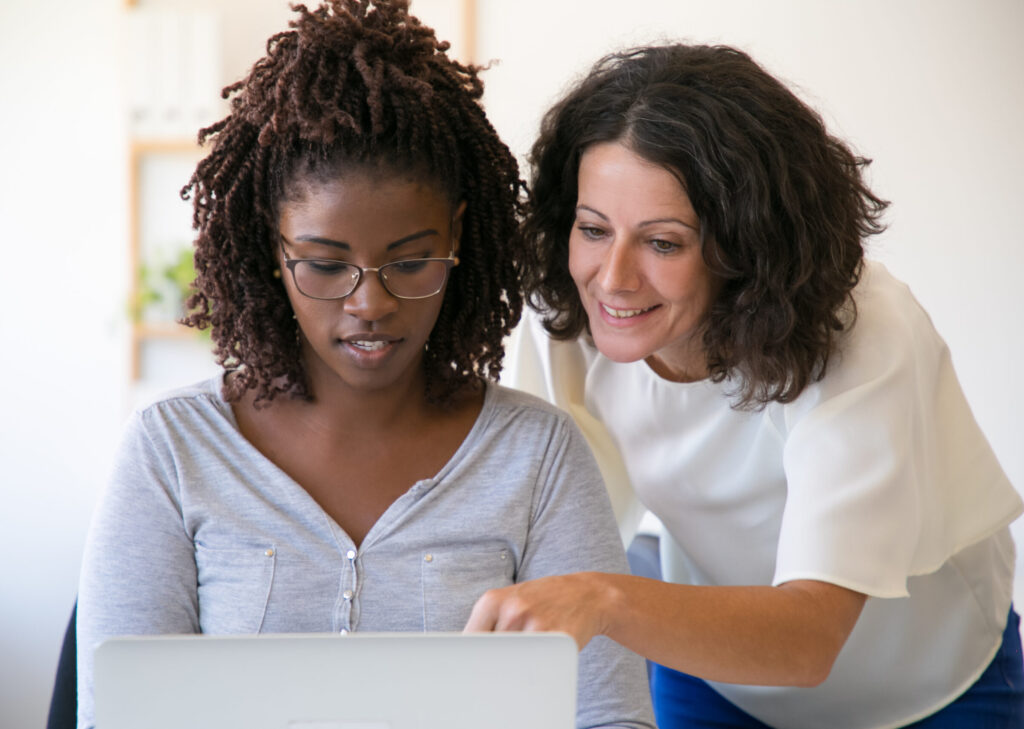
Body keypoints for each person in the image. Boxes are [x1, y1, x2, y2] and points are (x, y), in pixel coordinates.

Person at [74, 3, 656, 729]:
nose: (371, 303)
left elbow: (611, 717)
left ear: (458, 237)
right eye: (324, 264)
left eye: (411, 261)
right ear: (272, 246)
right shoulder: (172, 452)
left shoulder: (537, 458)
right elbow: (116, 715)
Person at [464, 43, 1024, 729]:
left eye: (663, 242)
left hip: (931, 686)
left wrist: (604, 599)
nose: (611, 278)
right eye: (592, 229)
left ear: (746, 243)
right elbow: (547, 533)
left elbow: (809, 637)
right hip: (717, 677)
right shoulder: (569, 320)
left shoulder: (865, 331)